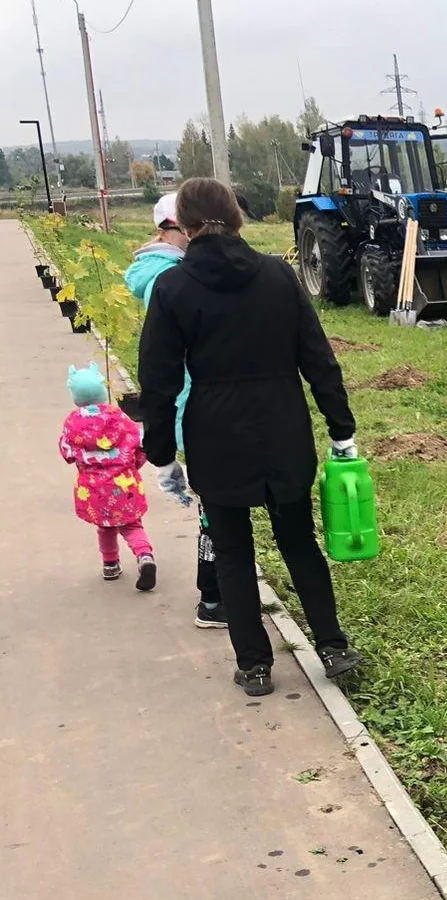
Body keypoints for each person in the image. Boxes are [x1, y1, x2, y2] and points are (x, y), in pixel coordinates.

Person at [138, 177, 363, 698]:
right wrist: (341, 429)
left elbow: (160, 381)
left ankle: (255, 665)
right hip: (282, 425)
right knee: (298, 540)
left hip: (216, 435)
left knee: (233, 552)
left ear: (186, 226)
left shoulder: (173, 289)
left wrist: (162, 455)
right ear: (238, 219)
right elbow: (318, 359)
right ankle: (331, 646)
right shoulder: (278, 276)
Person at [124, 193, 227, 630]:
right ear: (174, 229)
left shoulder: (159, 271)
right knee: (216, 510)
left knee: (215, 505)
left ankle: (217, 593)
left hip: (195, 402)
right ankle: (213, 598)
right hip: (197, 403)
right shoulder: (169, 277)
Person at [60, 363, 157, 591]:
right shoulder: (118, 416)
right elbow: (139, 443)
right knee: (132, 524)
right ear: (103, 392)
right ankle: (144, 556)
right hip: (124, 484)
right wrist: (134, 466)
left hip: (94, 489)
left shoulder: (73, 421)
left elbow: (67, 451)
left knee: (105, 527)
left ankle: (110, 565)